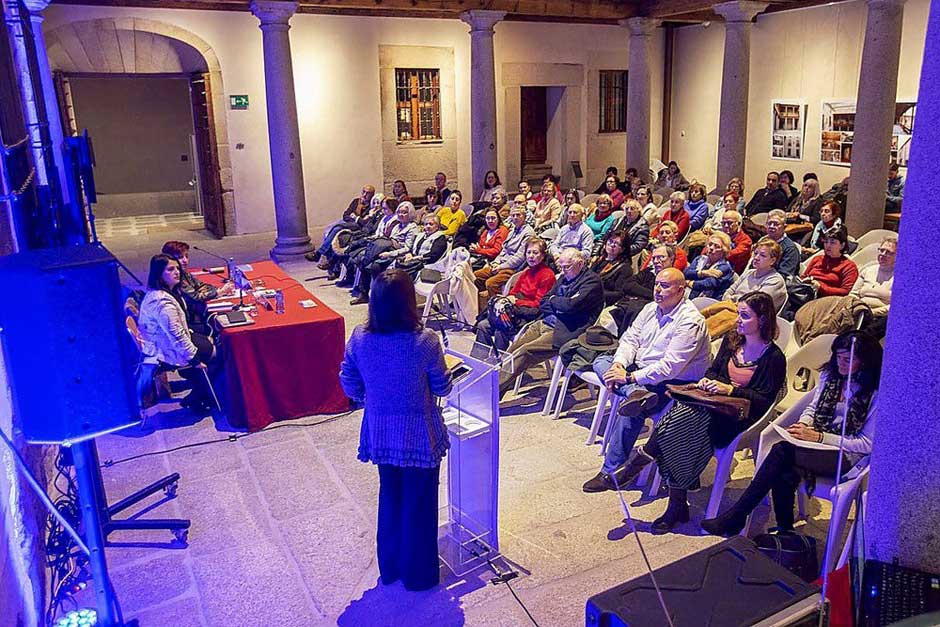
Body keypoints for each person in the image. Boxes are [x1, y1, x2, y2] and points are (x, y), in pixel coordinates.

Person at [613, 292, 786, 532]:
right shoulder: (733, 340)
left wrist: (732, 389)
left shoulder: (774, 357)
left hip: (740, 417)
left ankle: (643, 463)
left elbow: (765, 400)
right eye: (739, 314)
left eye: (745, 316)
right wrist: (708, 382)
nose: (738, 320)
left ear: (763, 320)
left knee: (679, 422)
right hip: (713, 405)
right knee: (679, 420)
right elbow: (714, 371)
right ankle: (674, 503)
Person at [702, 330, 882, 536]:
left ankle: (737, 516)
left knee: (781, 453)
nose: (841, 363)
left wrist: (821, 437)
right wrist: (803, 426)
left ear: (866, 362)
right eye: (838, 357)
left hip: (848, 457)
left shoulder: (875, 394)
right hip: (818, 444)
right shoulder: (831, 376)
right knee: (784, 469)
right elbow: (812, 408)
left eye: (848, 359)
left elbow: (867, 444)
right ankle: (784, 530)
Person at [339, 269, 453, 591]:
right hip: (418, 435)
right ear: (408, 302)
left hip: (381, 433)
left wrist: (373, 400)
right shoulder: (426, 341)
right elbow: (442, 387)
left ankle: (390, 568)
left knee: (390, 496)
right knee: (419, 503)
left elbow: (347, 380)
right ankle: (419, 577)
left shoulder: (361, 337)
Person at [582, 267, 711, 493]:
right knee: (602, 361)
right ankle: (634, 392)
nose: (658, 290)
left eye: (665, 286)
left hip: (675, 383)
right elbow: (630, 339)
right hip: (643, 375)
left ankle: (609, 471)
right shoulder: (650, 309)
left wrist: (630, 376)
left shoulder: (690, 322)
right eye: (656, 284)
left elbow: (670, 367)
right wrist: (619, 364)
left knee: (631, 410)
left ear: (681, 290)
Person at [497, 248, 603, 396]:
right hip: (544, 322)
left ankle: (492, 393)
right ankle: (492, 384)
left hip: (565, 330)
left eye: (567, 267)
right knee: (510, 352)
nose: (563, 271)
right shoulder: (564, 278)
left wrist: (556, 302)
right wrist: (559, 303)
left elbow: (571, 306)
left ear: (580, 263)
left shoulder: (592, 281)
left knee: (524, 351)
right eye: (561, 267)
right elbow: (544, 301)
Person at [137, 254, 217, 415]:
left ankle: (203, 388)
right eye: (170, 269)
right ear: (159, 273)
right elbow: (177, 337)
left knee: (215, 338)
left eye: (177, 269)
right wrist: (194, 360)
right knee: (220, 353)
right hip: (167, 350)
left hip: (168, 342)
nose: (177, 272)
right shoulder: (161, 302)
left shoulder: (167, 291)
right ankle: (199, 396)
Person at [795, 237, 896, 343]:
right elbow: (853, 294)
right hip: (855, 309)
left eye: (889, 252)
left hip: (878, 317)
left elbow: (895, 307)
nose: (883, 254)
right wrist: (856, 308)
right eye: (881, 250)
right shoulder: (868, 270)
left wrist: (869, 312)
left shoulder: (902, 279)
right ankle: (817, 342)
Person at [474, 238, 555, 352]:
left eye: (535, 253)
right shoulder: (526, 272)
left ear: (542, 255)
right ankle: (480, 360)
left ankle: (500, 364)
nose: (531, 256)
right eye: (528, 252)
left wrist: (516, 302)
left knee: (501, 329)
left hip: (528, 315)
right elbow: (513, 293)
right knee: (482, 325)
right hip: (514, 311)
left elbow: (539, 304)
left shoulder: (547, 275)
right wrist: (506, 300)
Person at [699, 237, 788, 337]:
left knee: (708, 330)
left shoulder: (775, 280)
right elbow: (729, 292)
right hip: (730, 309)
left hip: (751, 322)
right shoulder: (749, 273)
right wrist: (732, 301)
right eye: (755, 253)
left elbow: (754, 305)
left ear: (772, 260)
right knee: (701, 319)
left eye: (762, 255)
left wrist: (733, 300)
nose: (756, 257)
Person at [350, 201, 419, 304]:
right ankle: (364, 294)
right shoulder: (397, 226)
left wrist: (389, 254)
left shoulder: (412, 228)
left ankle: (380, 295)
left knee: (375, 266)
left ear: (410, 214)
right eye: (399, 212)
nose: (400, 214)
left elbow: (407, 248)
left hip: (399, 253)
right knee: (364, 260)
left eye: (404, 212)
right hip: (387, 248)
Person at [160, 240, 234, 335]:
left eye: (186, 256)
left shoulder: (184, 272)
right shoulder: (175, 278)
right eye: (180, 257)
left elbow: (201, 285)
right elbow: (196, 297)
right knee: (219, 327)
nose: (185, 260)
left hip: (192, 317)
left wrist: (214, 291)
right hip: (188, 323)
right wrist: (220, 292)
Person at [603, 245, 675, 336]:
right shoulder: (648, 272)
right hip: (626, 305)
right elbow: (628, 286)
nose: (656, 261)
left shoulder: (674, 278)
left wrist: (639, 292)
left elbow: (664, 298)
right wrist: (651, 294)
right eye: (654, 258)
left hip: (647, 314)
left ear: (671, 259)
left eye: (661, 257)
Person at [474, 205, 536, 300]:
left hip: (513, 268)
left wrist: (500, 267)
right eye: (513, 215)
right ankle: (483, 305)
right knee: (476, 276)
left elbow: (520, 257)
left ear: (524, 216)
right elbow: (503, 250)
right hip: (501, 264)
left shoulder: (528, 233)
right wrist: (496, 262)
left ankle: (498, 309)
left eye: (518, 215)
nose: (515, 218)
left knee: (490, 283)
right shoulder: (512, 231)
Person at [307, 185, 376, 263]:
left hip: (358, 226)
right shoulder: (356, 201)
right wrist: (354, 218)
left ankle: (319, 253)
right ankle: (325, 258)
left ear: (372, 194)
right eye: (364, 192)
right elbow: (346, 215)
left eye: (368, 193)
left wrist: (355, 218)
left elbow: (364, 223)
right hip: (349, 222)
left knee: (337, 228)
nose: (364, 195)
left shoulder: (372, 206)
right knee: (329, 228)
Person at [801, 224, 859, 297]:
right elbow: (803, 277)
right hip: (807, 293)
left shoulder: (849, 266)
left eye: (832, 242)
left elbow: (846, 291)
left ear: (842, 245)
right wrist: (806, 281)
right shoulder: (817, 259)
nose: (828, 245)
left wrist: (820, 288)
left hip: (828, 299)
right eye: (826, 242)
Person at [392, 214, 449, 280]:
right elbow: (412, 249)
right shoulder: (421, 235)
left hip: (426, 264)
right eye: (426, 224)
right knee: (394, 266)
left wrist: (415, 258)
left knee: (401, 276)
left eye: (431, 224)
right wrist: (409, 254)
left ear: (437, 226)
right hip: (413, 261)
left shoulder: (440, 238)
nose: (428, 226)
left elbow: (433, 256)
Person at [684, 232, 735, 299]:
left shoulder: (725, 268)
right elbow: (686, 273)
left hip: (708, 301)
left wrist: (688, 283)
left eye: (717, 246)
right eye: (710, 244)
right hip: (689, 293)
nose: (711, 248)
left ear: (724, 251)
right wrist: (702, 273)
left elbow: (707, 284)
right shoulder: (699, 259)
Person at [764, 209, 801, 277]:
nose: (771, 226)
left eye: (776, 224)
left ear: (784, 227)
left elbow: (783, 276)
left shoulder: (790, 249)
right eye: (769, 223)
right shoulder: (763, 242)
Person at [721, 210, 753, 275]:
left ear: (738, 224)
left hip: (731, 273)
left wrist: (716, 253)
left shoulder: (746, 240)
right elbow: (705, 251)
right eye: (723, 223)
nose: (726, 226)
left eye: (730, 223)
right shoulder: (719, 235)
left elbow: (732, 255)